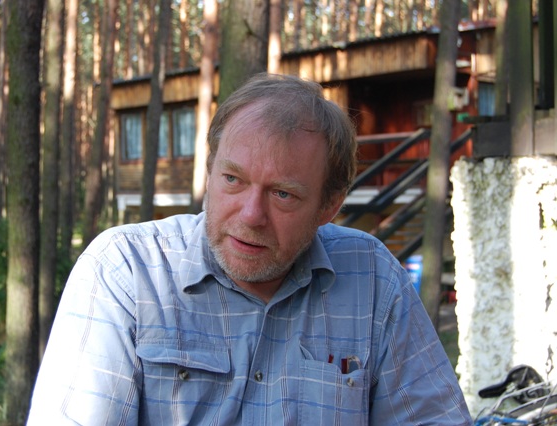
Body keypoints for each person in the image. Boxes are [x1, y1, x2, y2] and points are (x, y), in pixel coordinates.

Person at [28, 73, 472, 425]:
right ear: (210, 170)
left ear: (329, 206)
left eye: (283, 194)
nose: (251, 214)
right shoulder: (127, 271)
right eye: (233, 179)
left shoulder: (372, 279)